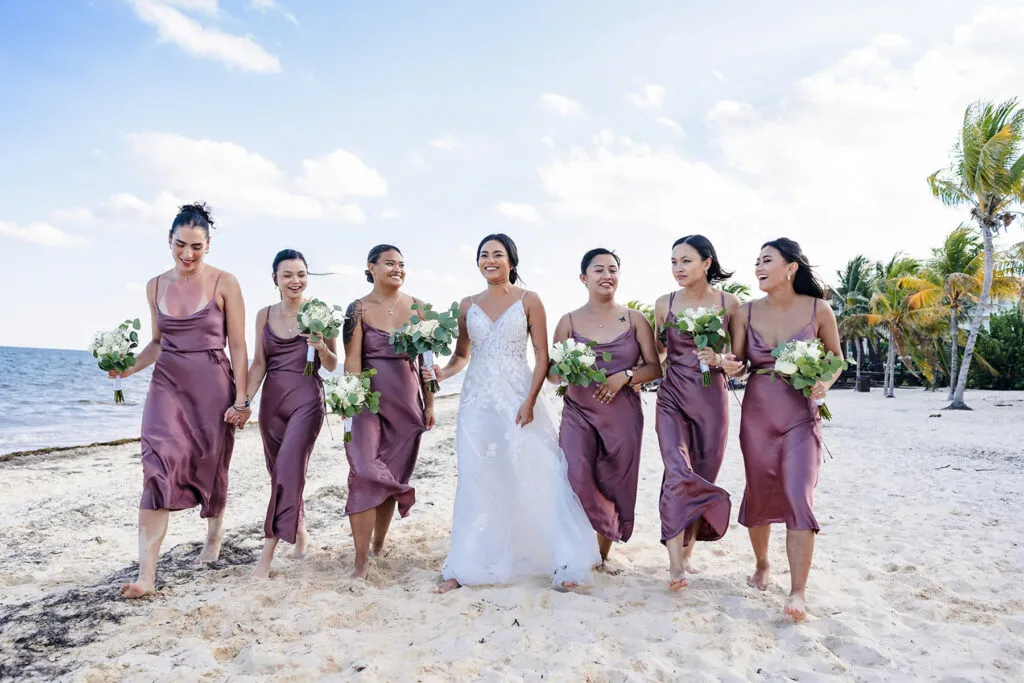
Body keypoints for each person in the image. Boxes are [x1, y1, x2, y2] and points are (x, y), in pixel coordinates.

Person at [430, 234, 601, 592]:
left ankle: (562, 559)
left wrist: (529, 400)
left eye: (498, 254)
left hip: (518, 396)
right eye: (483, 255)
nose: (490, 260)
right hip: (476, 400)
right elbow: (462, 355)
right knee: (478, 474)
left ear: (511, 260)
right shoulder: (466, 304)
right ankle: (467, 564)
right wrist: (443, 373)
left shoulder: (530, 300)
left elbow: (541, 355)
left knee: (538, 468)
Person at [114, 203, 249, 598]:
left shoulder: (226, 282)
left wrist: (241, 399)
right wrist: (127, 368)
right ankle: (146, 577)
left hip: (212, 383)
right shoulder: (154, 285)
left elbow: (238, 346)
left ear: (208, 245)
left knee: (212, 461)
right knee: (156, 465)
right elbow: (157, 343)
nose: (187, 255)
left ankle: (213, 536)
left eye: (196, 247)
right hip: (167, 383)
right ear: (168, 241)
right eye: (180, 245)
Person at [725, 237, 843, 622]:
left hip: (800, 415)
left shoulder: (818, 308)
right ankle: (762, 564)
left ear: (790, 267)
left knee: (798, 494)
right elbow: (740, 362)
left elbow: (837, 359)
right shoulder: (744, 312)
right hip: (757, 415)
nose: (758, 266)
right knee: (759, 492)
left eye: (767, 260)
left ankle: (798, 590)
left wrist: (825, 381)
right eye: (756, 261)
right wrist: (730, 367)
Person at [550, 248, 661, 570]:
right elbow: (553, 373)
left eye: (613, 269)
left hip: (623, 415)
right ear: (583, 278)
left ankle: (600, 555)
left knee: (616, 481)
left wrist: (624, 376)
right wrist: (568, 370)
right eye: (598, 270)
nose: (607, 275)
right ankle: (578, 545)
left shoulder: (635, 319)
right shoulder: (568, 321)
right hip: (578, 412)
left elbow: (654, 368)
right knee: (575, 474)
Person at [653, 235, 741, 590]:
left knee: (702, 472)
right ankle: (674, 566)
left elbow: (741, 361)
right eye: (674, 262)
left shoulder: (730, 303)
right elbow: (657, 354)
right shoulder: (664, 303)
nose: (678, 269)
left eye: (686, 261)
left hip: (711, 399)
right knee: (676, 472)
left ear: (707, 263)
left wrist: (720, 360)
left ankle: (687, 554)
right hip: (672, 397)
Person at [341, 244, 433, 579]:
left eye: (402, 264)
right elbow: (352, 362)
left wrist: (431, 404)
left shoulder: (420, 309)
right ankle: (360, 562)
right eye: (390, 263)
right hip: (368, 402)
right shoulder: (357, 309)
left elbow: (428, 364)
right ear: (372, 267)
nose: (398, 269)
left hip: (407, 406)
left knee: (391, 477)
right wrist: (350, 403)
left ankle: (379, 546)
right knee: (364, 472)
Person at [247, 249, 338, 579]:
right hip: (271, 405)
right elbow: (258, 364)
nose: (295, 280)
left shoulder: (321, 312)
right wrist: (242, 402)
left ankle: (266, 557)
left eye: (301, 274)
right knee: (281, 475)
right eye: (287, 275)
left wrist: (321, 346)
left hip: (306, 401)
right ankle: (300, 531)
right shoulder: (264, 315)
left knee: (288, 471)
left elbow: (330, 364)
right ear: (275, 279)